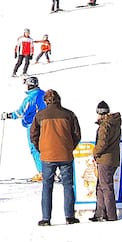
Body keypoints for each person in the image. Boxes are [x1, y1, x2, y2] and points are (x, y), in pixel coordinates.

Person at [30, 88, 82, 226]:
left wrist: (41, 148)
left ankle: (46, 218)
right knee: (68, 186)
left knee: (47, 187)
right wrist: (69, 147)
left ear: (45, 101)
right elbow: (77, 134)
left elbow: (33, 135)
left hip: (47, 156)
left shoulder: (40, 115)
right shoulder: (69, 114)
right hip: (65, 155)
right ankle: (70, 216)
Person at [4, 75, 46, 180]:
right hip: (46, 124)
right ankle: (51, 171)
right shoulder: (44, 94)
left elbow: (21, 112)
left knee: (35, 148)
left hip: (33, 125)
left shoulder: (30, 98)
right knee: (46, 148)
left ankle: (42, 172)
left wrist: (9, 115)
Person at [91, 100, 121, 221]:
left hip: (105, 160)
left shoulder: (105, 126)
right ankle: (100, 213)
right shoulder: (115, 123)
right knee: (101, 186)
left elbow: (102, 143)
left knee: (106, 187)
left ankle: (111, 215)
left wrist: (95, 152)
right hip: (112, 159)